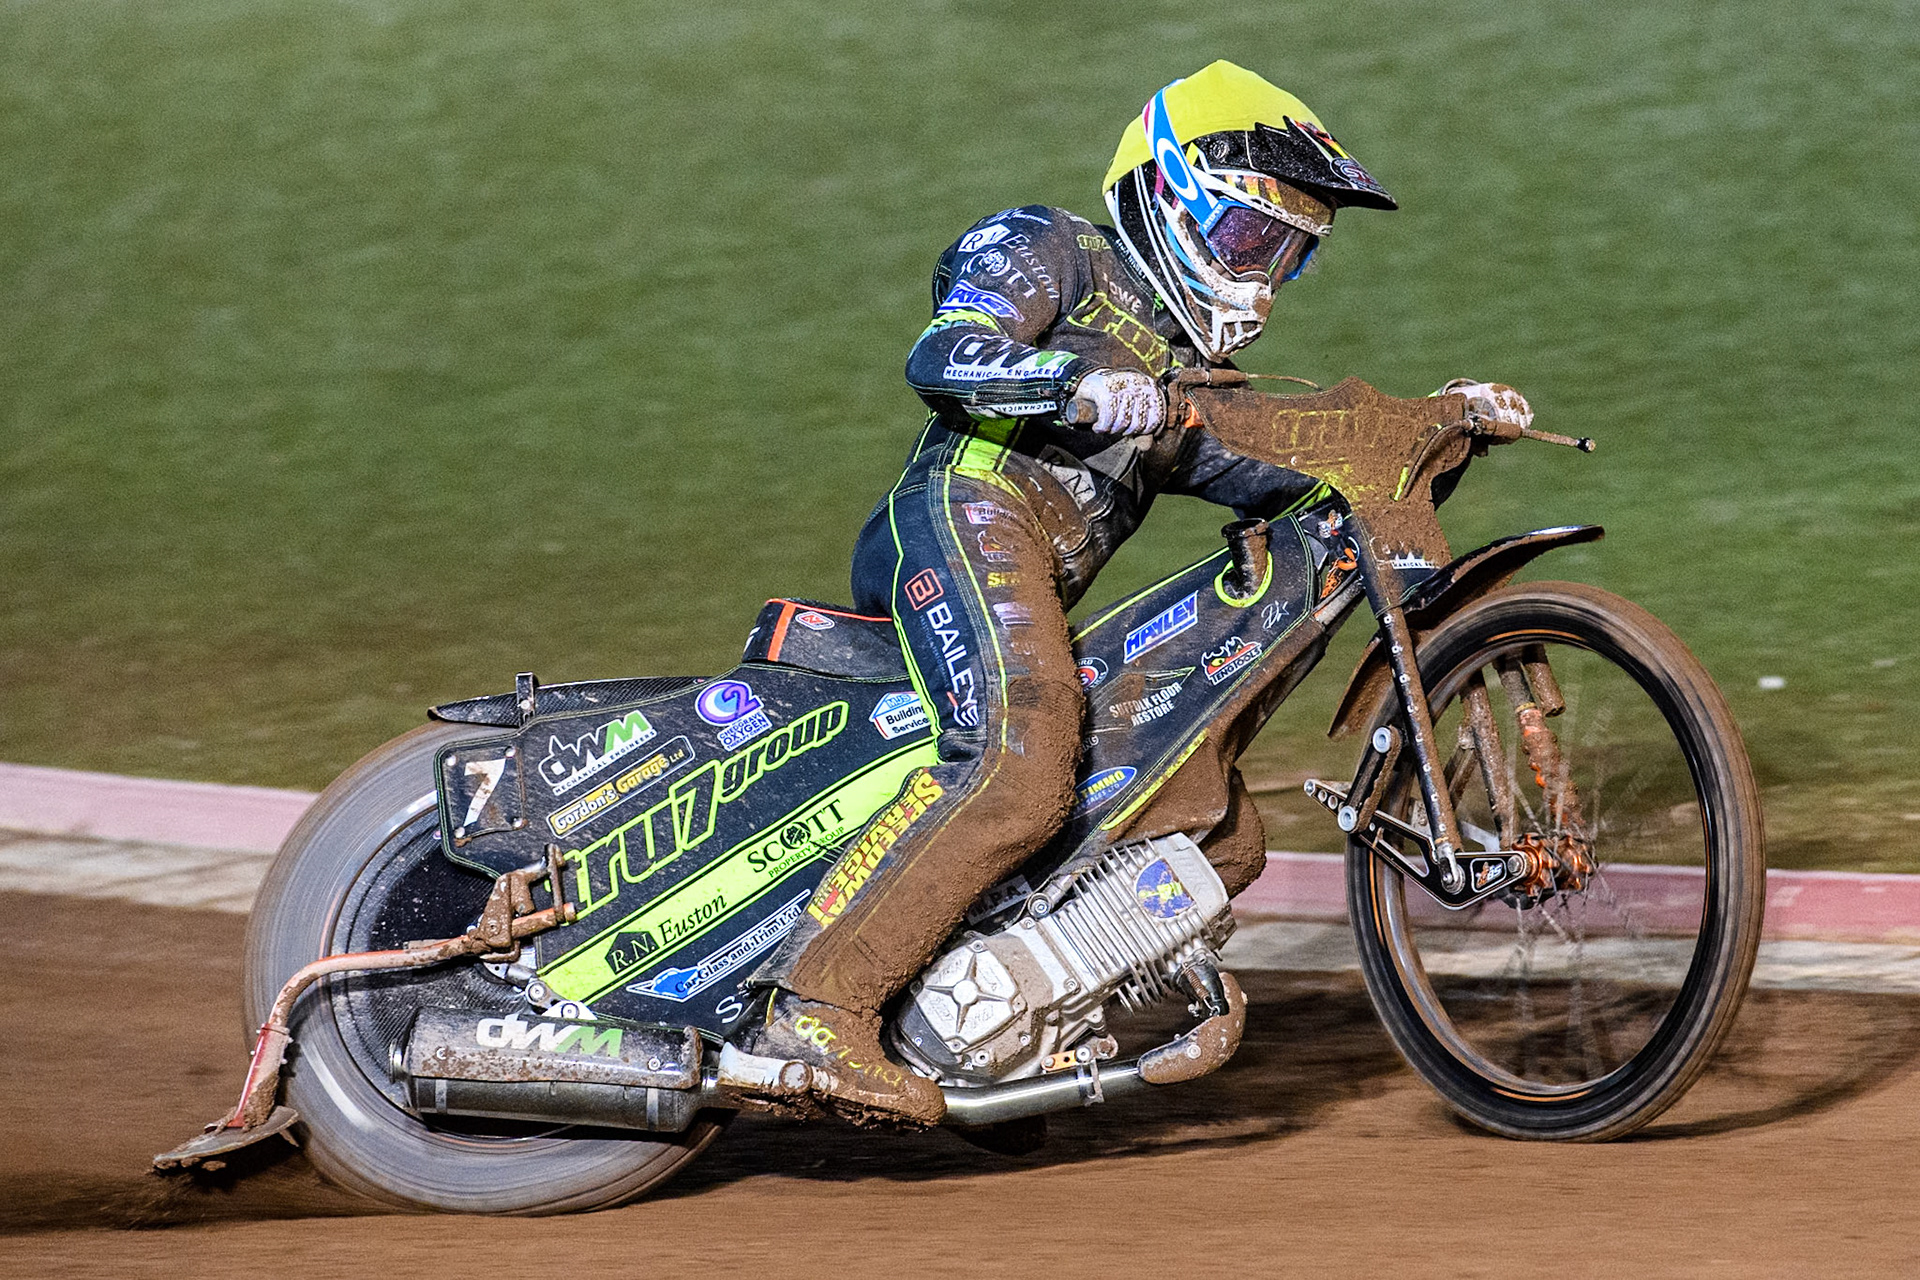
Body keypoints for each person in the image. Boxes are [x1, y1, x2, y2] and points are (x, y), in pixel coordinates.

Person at [725, 61, 1530, 1125]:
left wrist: (1436, 427)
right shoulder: (1053, 245)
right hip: (964, 510)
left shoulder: (1185, 387)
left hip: (1031, 582)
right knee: (1024, 751)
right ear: (1168, 195)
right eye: (1251, 241)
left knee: (1220, 830)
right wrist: (1073, 382)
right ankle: (815, 1004)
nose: (1264, 279)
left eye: (1289, 258)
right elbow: (944, 353)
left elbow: (1296, 478)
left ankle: (993, 1031)